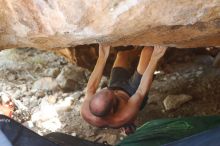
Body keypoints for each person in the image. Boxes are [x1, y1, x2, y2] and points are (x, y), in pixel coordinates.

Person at [81, 44, 167, 134]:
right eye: (114, 94)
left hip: (116, 84)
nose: (115, 92)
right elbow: (141, 91)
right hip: (132, 93)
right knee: (149, 50)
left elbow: (91, 88)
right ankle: (159, 61)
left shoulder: (85, 110)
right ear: (112, 110)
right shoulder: (124, 115)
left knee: (122, 55)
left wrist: (102, 56)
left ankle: (137, 50)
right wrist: (155, 59)